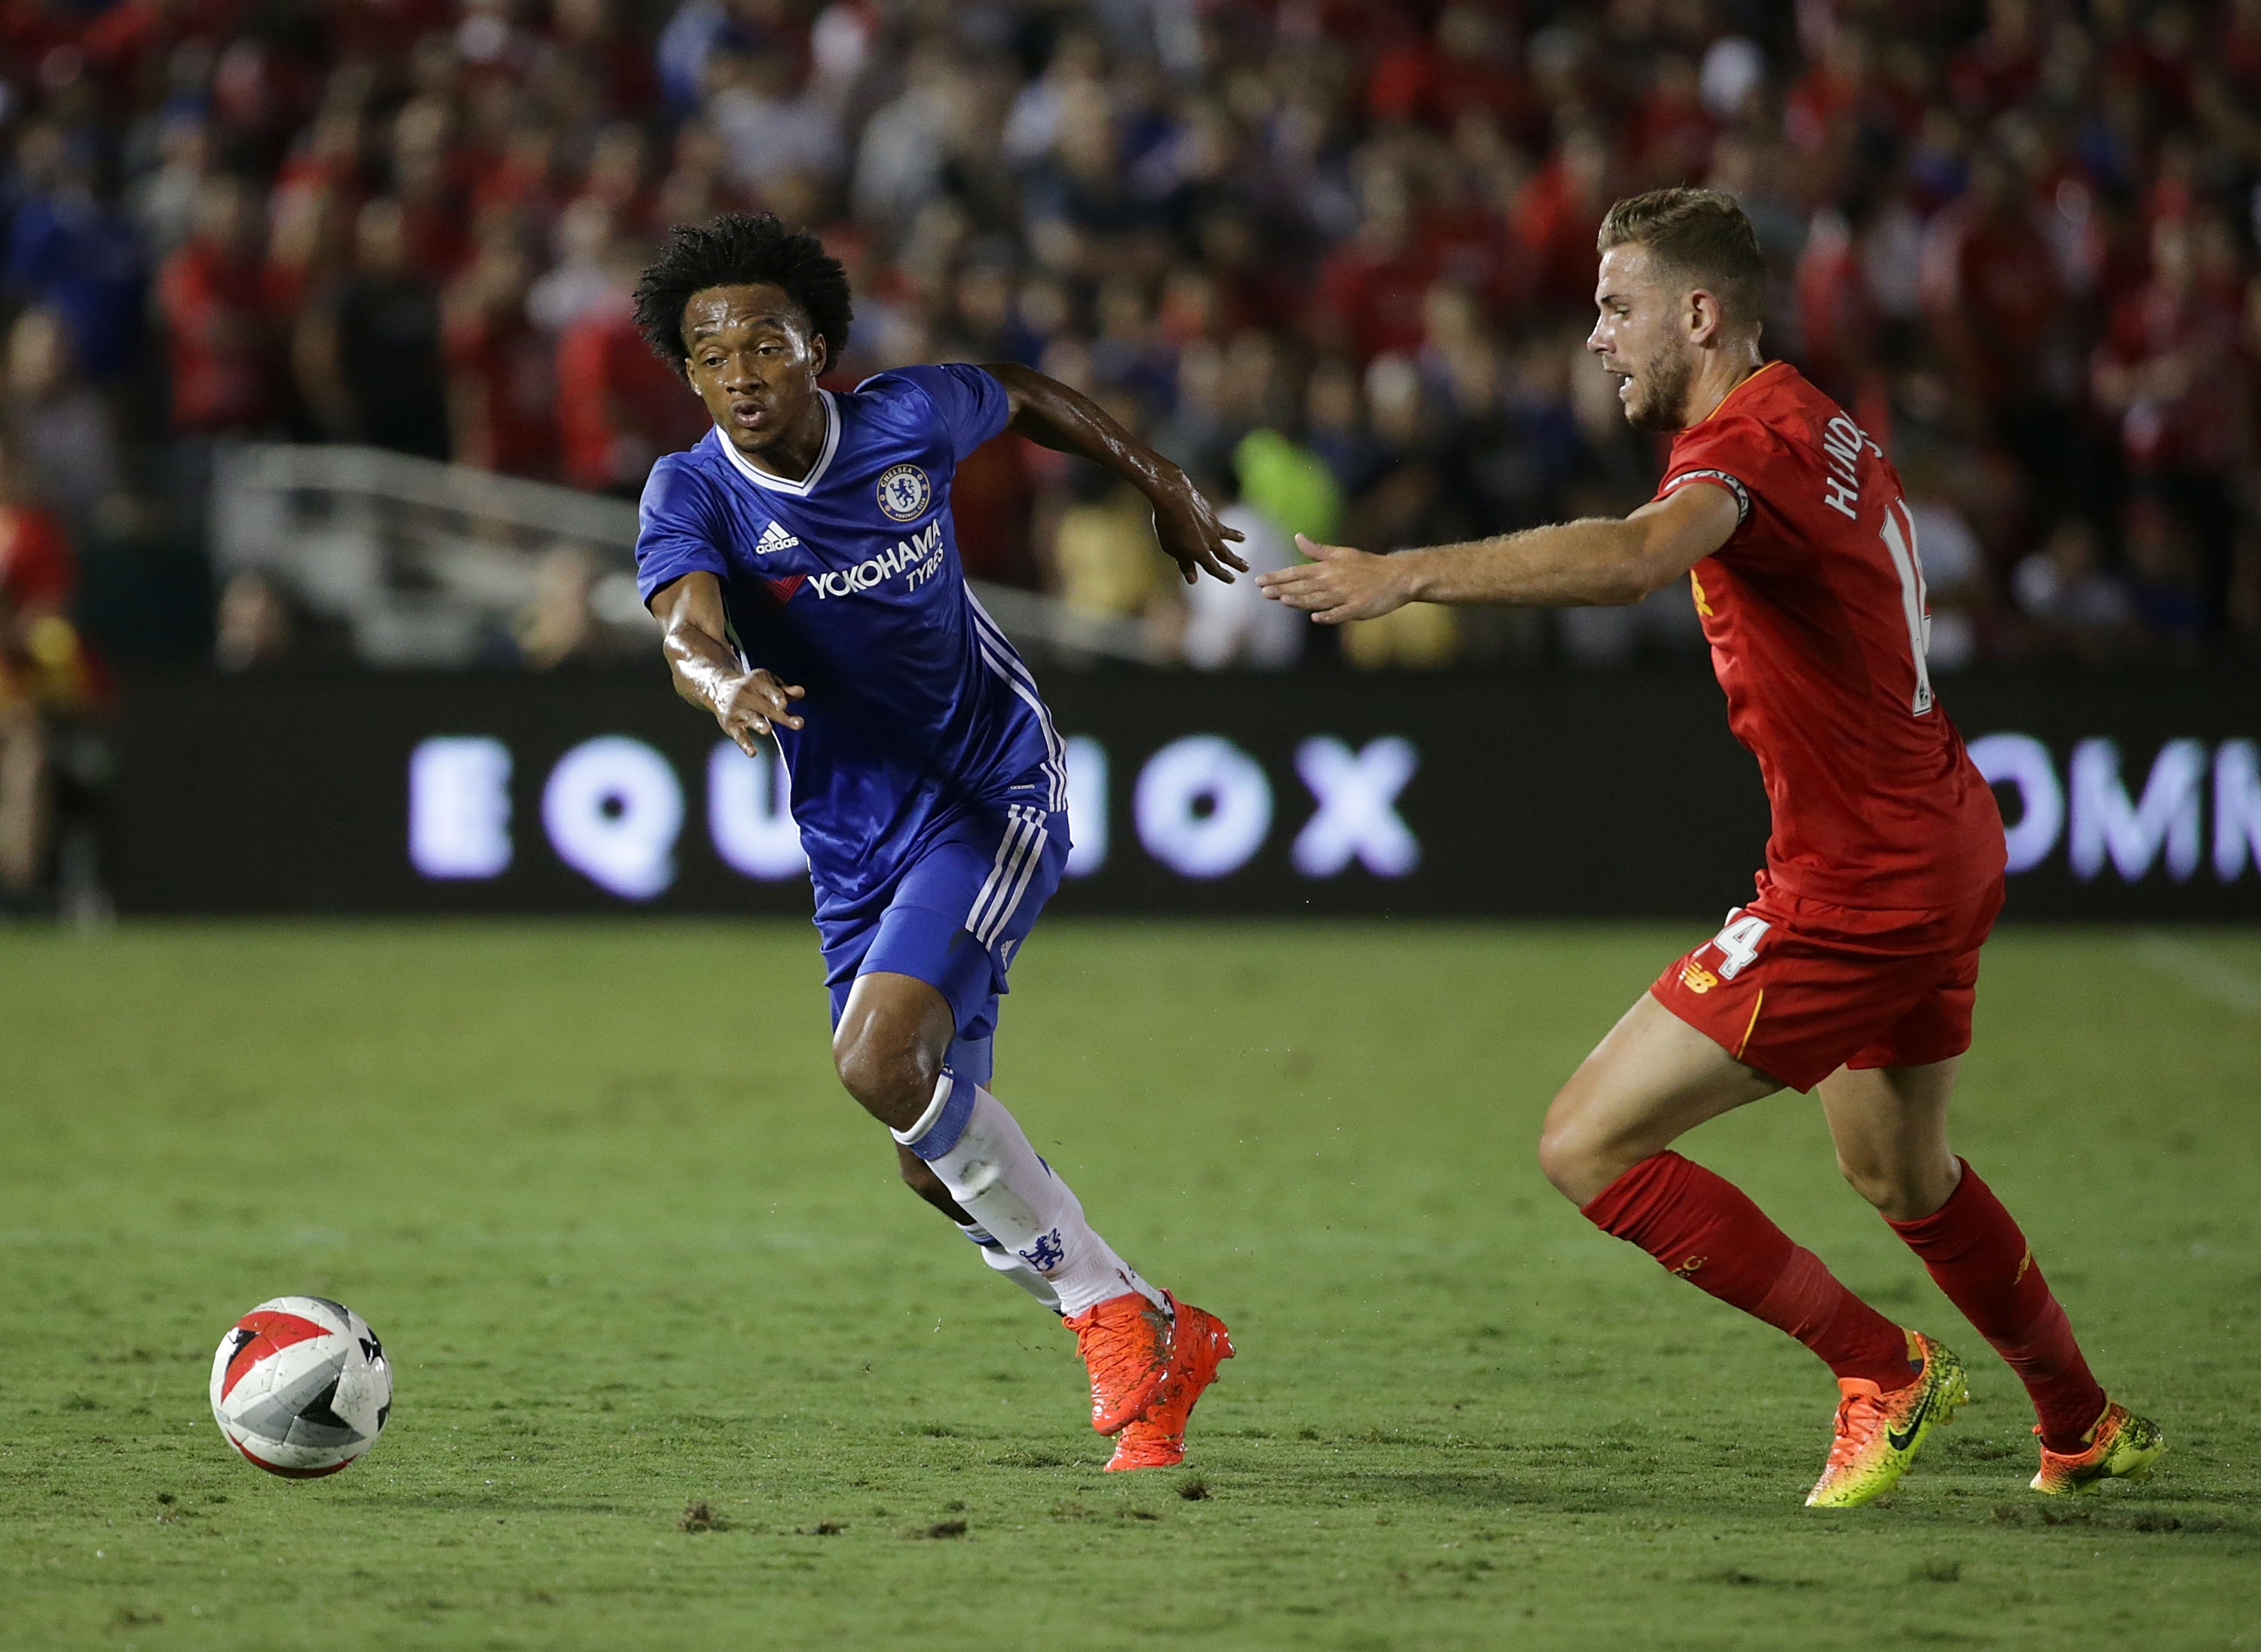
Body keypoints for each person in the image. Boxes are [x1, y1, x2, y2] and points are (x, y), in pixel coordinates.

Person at [1259, 187, 2165, 1509]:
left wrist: (1409, 572)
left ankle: (1884, 1373)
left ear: (1700, 312)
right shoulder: (1820, 417)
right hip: (1941, 832)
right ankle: (2082, 1423)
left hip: (1861, 883)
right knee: (1898, 1166)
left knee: (1586, 1146)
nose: (1595, 337)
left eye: (1616, 308)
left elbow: (1633, 560)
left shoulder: (1744, 453)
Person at [627, 213, 1244, 1472]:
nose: (739, 374)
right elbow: (684, 625)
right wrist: (721, 682)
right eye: (710, 356)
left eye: (764, 344)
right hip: (853, 840)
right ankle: (1160, 1324)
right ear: (688, 376)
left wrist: (1158, 479)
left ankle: (1111, 1320)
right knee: (934, 1157)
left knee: (874, 1066)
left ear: (820, 348)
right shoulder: (692, 489)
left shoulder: (907, 418)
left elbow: (1019, 396)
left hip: (988, 790)